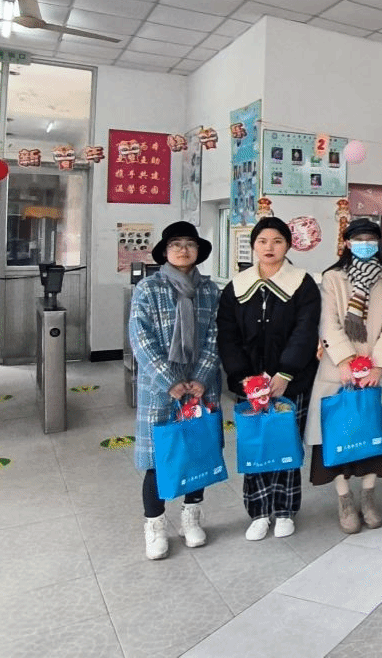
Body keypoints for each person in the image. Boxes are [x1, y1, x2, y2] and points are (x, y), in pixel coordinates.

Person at [218, 217, 321, 541]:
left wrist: (285, 372)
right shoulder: (238, 286)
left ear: (288, 245)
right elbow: (227, 335)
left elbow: (306, 330)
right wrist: (243, 377)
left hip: (291, 381)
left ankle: (286, 509)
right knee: (256, 444)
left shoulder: (302, 283)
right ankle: (259, 511)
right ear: (253, 245)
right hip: (250, 385)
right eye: (262, 241)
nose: (269, 247)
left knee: (286, 443)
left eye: (277, 241)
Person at [131, 222, 223, 560]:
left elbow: (217, 336)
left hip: (201, 387)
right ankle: (155, 526)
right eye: (175, 244)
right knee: (158, 458)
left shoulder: (210, 291)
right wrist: (168, 380)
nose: (183, 250)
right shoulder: (148, 288)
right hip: (160, 389)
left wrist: (201, 377)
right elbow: (140, 338)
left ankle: (191, 518)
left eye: (189, 244)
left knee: (197, 451)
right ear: (165, 251)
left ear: (198, 251)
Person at [307, 218, 382, 534]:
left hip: (379, 369)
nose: (364, 244)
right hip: (339, 369)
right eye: (358, 239)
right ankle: (345, 499)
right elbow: (328, 322)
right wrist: (346, 360)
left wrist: (378, 365)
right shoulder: (332, 277)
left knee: (375, 431)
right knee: (338, 433)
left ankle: (368, 496)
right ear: (347, 243)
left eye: (370, 239)